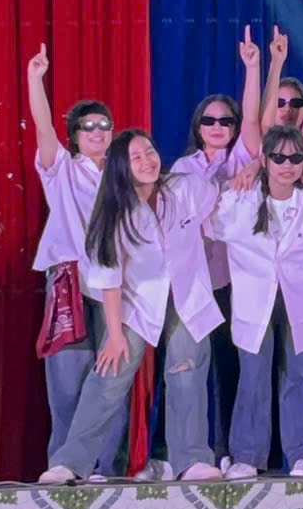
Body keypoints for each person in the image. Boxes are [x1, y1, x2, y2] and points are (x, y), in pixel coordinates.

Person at [43, 130, 224, 484]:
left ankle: (191, 460)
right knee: (109, 377)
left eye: (150, 152)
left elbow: (220, 199)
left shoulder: (185, 188)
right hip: (135, 305)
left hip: (187, 299)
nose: (147, 161)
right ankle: (71, 463)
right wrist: (114, 335)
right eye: (136, 157)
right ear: (120, 166)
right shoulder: (112, 211)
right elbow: (109, 279)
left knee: (187, 373)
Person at [212, 124, 303, 477]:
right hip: (254, 302)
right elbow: (209, 226)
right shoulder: (238, 200)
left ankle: (301, 453)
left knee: (300, 376)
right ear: (265, 161)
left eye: (296, 158)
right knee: (253, 377)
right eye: (279, 157)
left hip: (302, 301)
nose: (287, 165)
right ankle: (246, 455)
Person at [175, 31, 266, 467]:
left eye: (225, 121)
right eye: (210, 121)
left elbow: (254, 121)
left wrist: (252, 68)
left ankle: (227, 449)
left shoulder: (242, 158)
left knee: (231, 367)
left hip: (234, 279)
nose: (217, 127)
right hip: (193, 281)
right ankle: (183, 451)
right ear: (198, 127)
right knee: (189, 369)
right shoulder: (182, 168)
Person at [26, 47, 115, 473]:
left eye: (104, 125)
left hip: (117, 282)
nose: (97, 132)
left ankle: (106, 467)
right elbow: (43, 129)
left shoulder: (125, 173)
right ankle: (64, 463)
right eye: (87, 127)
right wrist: (36, 80)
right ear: (75, 136)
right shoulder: (62, 169)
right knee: (69, 376)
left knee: (111, 375)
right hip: (70, 279)